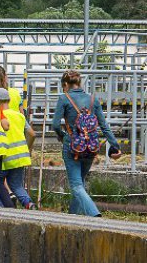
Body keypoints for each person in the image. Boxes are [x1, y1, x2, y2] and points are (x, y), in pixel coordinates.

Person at [52, 70, 122, 217]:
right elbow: (104, 126)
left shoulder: (64, 98)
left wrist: (63, 136)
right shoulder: (93, 100)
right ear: (80, 82)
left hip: (72, 146)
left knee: (76, 186)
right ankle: (72, 217)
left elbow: (56, 125)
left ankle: (94, 214)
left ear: (65, 84)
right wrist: (115, 146)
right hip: (91, 146)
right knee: (81, 183)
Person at [0, 89, 36, 209]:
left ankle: (0, 213)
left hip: (4, 156)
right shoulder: (20, 116)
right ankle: (29, 204)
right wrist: (26, 148)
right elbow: (32, 134)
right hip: (20, 156)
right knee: (17, 186)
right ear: (9, 100)